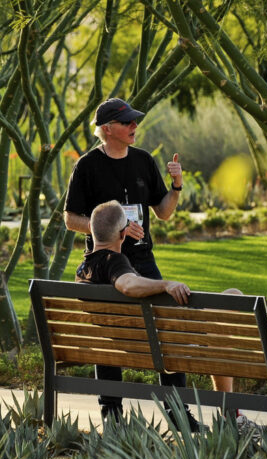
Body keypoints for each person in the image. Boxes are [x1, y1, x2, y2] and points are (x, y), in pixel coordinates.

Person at [65, 97, 198, 427]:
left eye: (135, 121)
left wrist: (177, 185)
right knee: (110, 335)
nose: (135, 126)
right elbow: (70, 219)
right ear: (107, 130)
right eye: (127, 123)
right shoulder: (87, 166)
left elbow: (163, 212)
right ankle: (112, 415)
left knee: (164, 331)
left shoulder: (143, 161)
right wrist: (112, 228)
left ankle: (177, 413)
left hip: (143, 260)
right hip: (106, 263)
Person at [80, 201, 251, 430]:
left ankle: (228, 415)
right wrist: (166, 285)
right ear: (123, 234)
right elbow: (128, 285)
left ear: (92, 231)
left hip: (126, 343)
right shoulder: (114, 261)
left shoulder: (83, 270)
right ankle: (230, 415)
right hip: (160, 344)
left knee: (222, 314)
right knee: (232, 300)